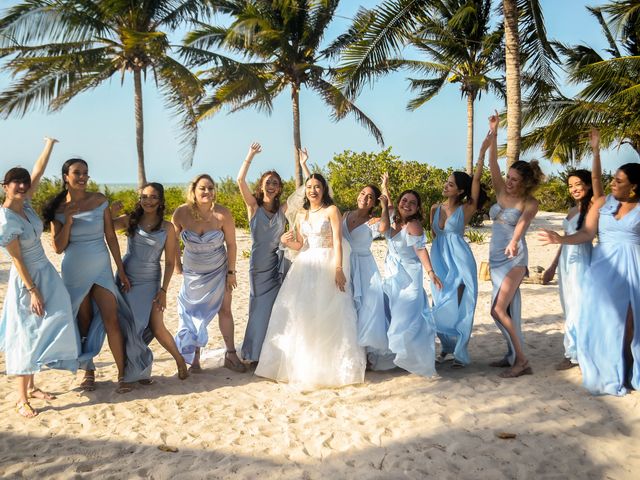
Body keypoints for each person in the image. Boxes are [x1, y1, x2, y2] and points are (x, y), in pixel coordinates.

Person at [255, 173, 365, 388]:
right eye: (309, 187)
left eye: (317, 186)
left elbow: (337, 241)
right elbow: (302, 244)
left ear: (323, 189)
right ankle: (301, 365)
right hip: (305, 265)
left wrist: (339, 268)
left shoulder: (331, 211)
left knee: (329, 313)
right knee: (303, 314)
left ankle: (331, 366)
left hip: (328, 261)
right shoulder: (301, 214)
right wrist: (285, 241)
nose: (312, 190)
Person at [539, 162, 639, 396]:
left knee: (631, 324)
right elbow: (586, 234)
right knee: (608, 320)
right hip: (603, 266)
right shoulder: (603, 203)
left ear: (633, 187)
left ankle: (628, 369)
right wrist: (559, 240)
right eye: (613, 178)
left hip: (634, 265)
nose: (612, 183)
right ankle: (610, 370)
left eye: (619, 181)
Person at [0, 138, 79, 418]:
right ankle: (21, 398)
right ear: (4, 186)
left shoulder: (26, 203)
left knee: (54, 320)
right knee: (26, 333)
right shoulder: (7, 219)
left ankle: (33, 386)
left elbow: (38, 170)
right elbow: (17, 259)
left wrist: (50, 145)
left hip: (46, 271)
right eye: (15, 182)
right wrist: (32, 290)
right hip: (27, 280)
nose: (22, 185)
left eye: (23, 182)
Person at [43, 158, 131, 393]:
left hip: (101, 268)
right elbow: (58, 248)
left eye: (85, 173)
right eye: (77, 172)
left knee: (111, 319)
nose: (82, 176)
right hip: (74, 270)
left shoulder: (99, 200)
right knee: (83, 321)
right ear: (65, 177)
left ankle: (122, 375)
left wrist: (120, 269)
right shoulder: (58, 209)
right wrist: (69, 221)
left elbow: (111, 236)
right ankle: (89, 371)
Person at [236, 143, 310, 363]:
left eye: (275, 183)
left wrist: (304, 165)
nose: (271, 185)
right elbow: (240, 181)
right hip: (259, 266)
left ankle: (273, 354)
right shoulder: (253, 207)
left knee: (278, 309)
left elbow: (308, 188)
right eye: (267, 182)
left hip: (279, 264)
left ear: (279, 189)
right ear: (261, 186)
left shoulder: (283, 210)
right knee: (259, 308)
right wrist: (250, 155)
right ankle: (253, 354)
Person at [112, 183, 189, 382]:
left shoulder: (167, 228)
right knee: (127, 326)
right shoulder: (131, 220)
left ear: (161, 201)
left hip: (151, 281)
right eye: (144, 197)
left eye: (153, 197)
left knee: (156, 326)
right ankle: (134, 372)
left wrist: (163, 290)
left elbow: (171, 262)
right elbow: (106, 226)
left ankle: (179, 360)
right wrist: (110, 212)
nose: (148, 201)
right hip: (126, 278)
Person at [486, 111, 543, 378]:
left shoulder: (529, 203)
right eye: (508, 178)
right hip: (495, 257)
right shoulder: (500, 190)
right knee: (504, 309)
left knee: (497, 309)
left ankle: (521, 360)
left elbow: (522, 225)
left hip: (514, 258)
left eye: (514, 180)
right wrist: (495, 132)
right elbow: (492, 165)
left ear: (526, 183)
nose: (508, 182)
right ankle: (512, 353)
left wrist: (514, 241)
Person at [542, 128, 604, 370]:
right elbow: (563, 239)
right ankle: (575, 351)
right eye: (570, 186)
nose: (574, 188)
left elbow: (582, 236)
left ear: (588, 185)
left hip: (583, 260)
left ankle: (575, 354)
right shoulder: (570, 212)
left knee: (579, 306)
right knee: (568, 306)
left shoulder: (594, 206)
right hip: (567, 263)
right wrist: (552, 266)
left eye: (578, 184)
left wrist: (595, 151)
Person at [172, 174, 244, 373]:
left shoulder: (223, 214)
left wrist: (231, 272)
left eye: (211, 188)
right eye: (202, 188)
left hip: (218, 270)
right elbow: (171, 242)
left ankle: (230, 354)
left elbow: (231, 244)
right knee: (193, 313)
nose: (207, 192)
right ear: (193, 191)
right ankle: (194, 359)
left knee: (225, 310)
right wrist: (177, 264)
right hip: (193, 273)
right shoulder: (181, 213)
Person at [430, 132, 489, 369]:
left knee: (461, 301)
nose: (446, 185)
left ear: (461, 191)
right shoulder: (435, 207)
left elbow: (476, 180)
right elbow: (434, 235)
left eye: (451, 184)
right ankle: (446, 347)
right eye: (447, 181)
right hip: (439, 257)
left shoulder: (467, 208)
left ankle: (460, 349)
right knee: (439, 299)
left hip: (460, 258)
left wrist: (482, 152)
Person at [381, 188, 443, 377]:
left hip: (409, 276)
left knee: (406, 316)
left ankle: (415, 359)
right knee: (392, 313)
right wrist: (385, 188)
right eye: (404, 200)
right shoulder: (393, 217)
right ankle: (401, 356)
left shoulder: (413, 226)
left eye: (412, 203)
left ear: (417, 209)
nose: (406, 205)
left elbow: (421, 250)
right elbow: (389, 208)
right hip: (392, 274)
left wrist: (431, 272)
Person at [341, 174, 390, 359]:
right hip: (346, 263)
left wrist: (384, 205)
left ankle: (367, 352)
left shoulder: (374, 222)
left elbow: (385, 228)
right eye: (363, 193)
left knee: (367, 307)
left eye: (370, 197)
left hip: (364, 266)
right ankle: (351, 349)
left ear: (373, 204)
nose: (365, 198)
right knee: (347, 306)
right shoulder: (345, 215)